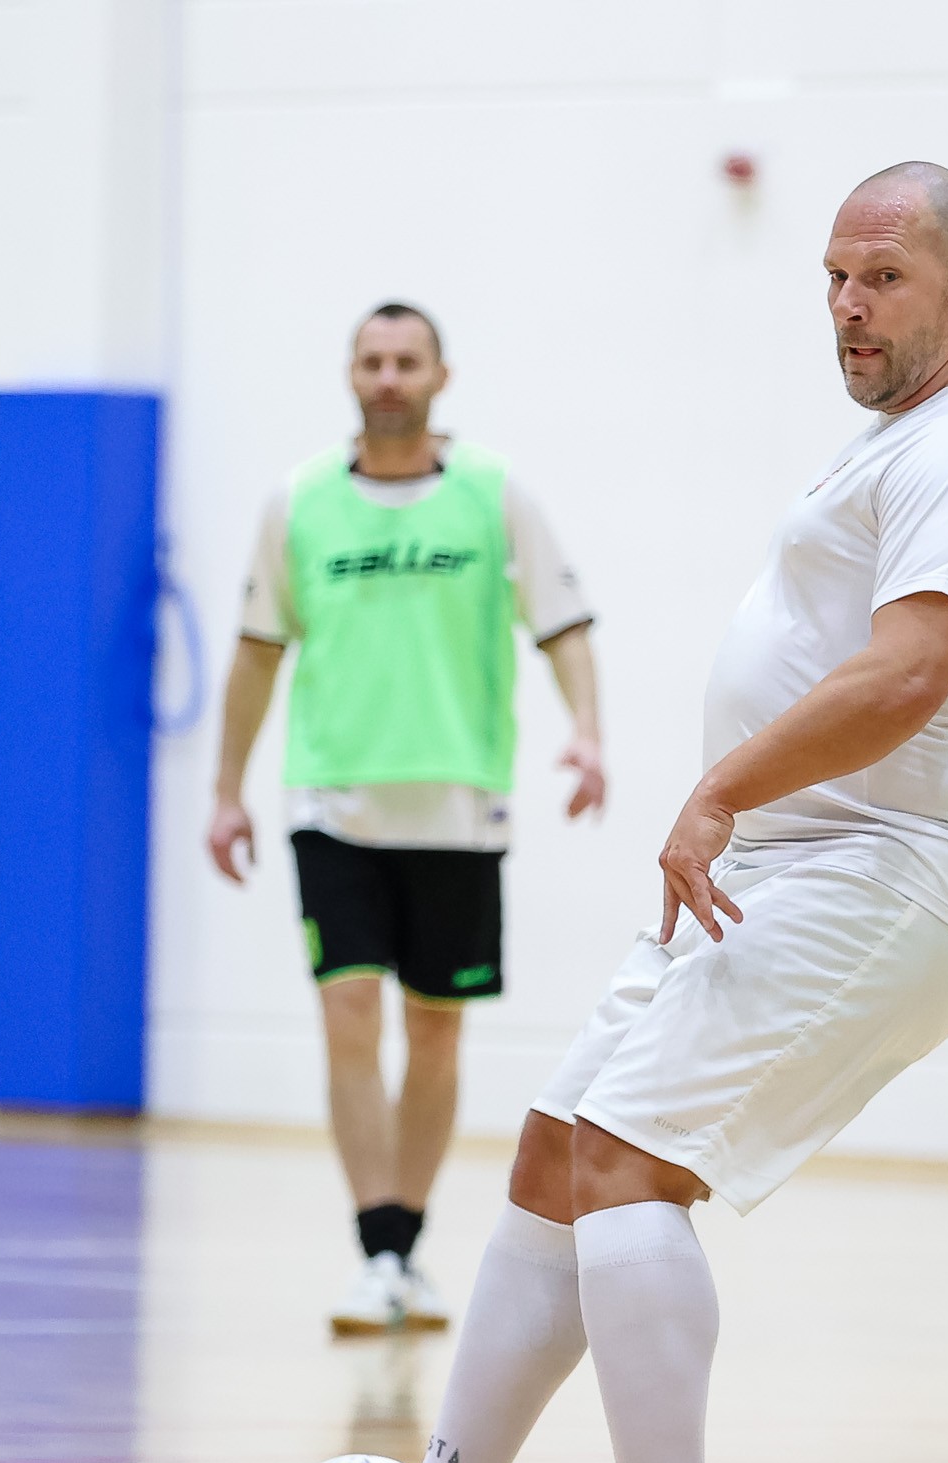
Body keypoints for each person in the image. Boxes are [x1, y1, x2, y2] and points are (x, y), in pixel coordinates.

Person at [227, 161, 948, 1463]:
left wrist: (719, 786)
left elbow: (909, 673)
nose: (847, 307)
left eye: (881, 278)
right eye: (833, 278)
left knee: (627, 1159)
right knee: (558, 1149)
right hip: (781, 864)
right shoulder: (902, 437)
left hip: (888, 865)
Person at [207, 301, 606, 1338]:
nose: (388, 377)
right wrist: (226, 789)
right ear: (351, 374)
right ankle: (377, 1250)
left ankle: (407, 1244)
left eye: (407, 361)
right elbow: (255, 650)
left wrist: (587, 732)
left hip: (458, 804)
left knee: (433, 1028)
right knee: (347, 1012)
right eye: (372, 361)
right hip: (331, 799)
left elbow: (563, 623)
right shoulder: (297, 501)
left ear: (440, 376)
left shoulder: (493, 493)